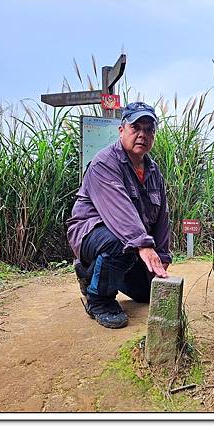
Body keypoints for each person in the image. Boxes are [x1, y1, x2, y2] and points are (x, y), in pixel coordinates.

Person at [66, 101, 171, 329]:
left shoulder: (154, 173)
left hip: (132, 242)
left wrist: (161, 259)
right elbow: (119, 212)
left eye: (149, 130)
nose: (142, 135)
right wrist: (143, 245)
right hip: (91, 233)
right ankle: (100, 300)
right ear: (122, 130)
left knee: (145, 293)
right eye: (136, 128)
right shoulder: (104, 163)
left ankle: (89, 273)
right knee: (121, 243)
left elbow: (162, 218)